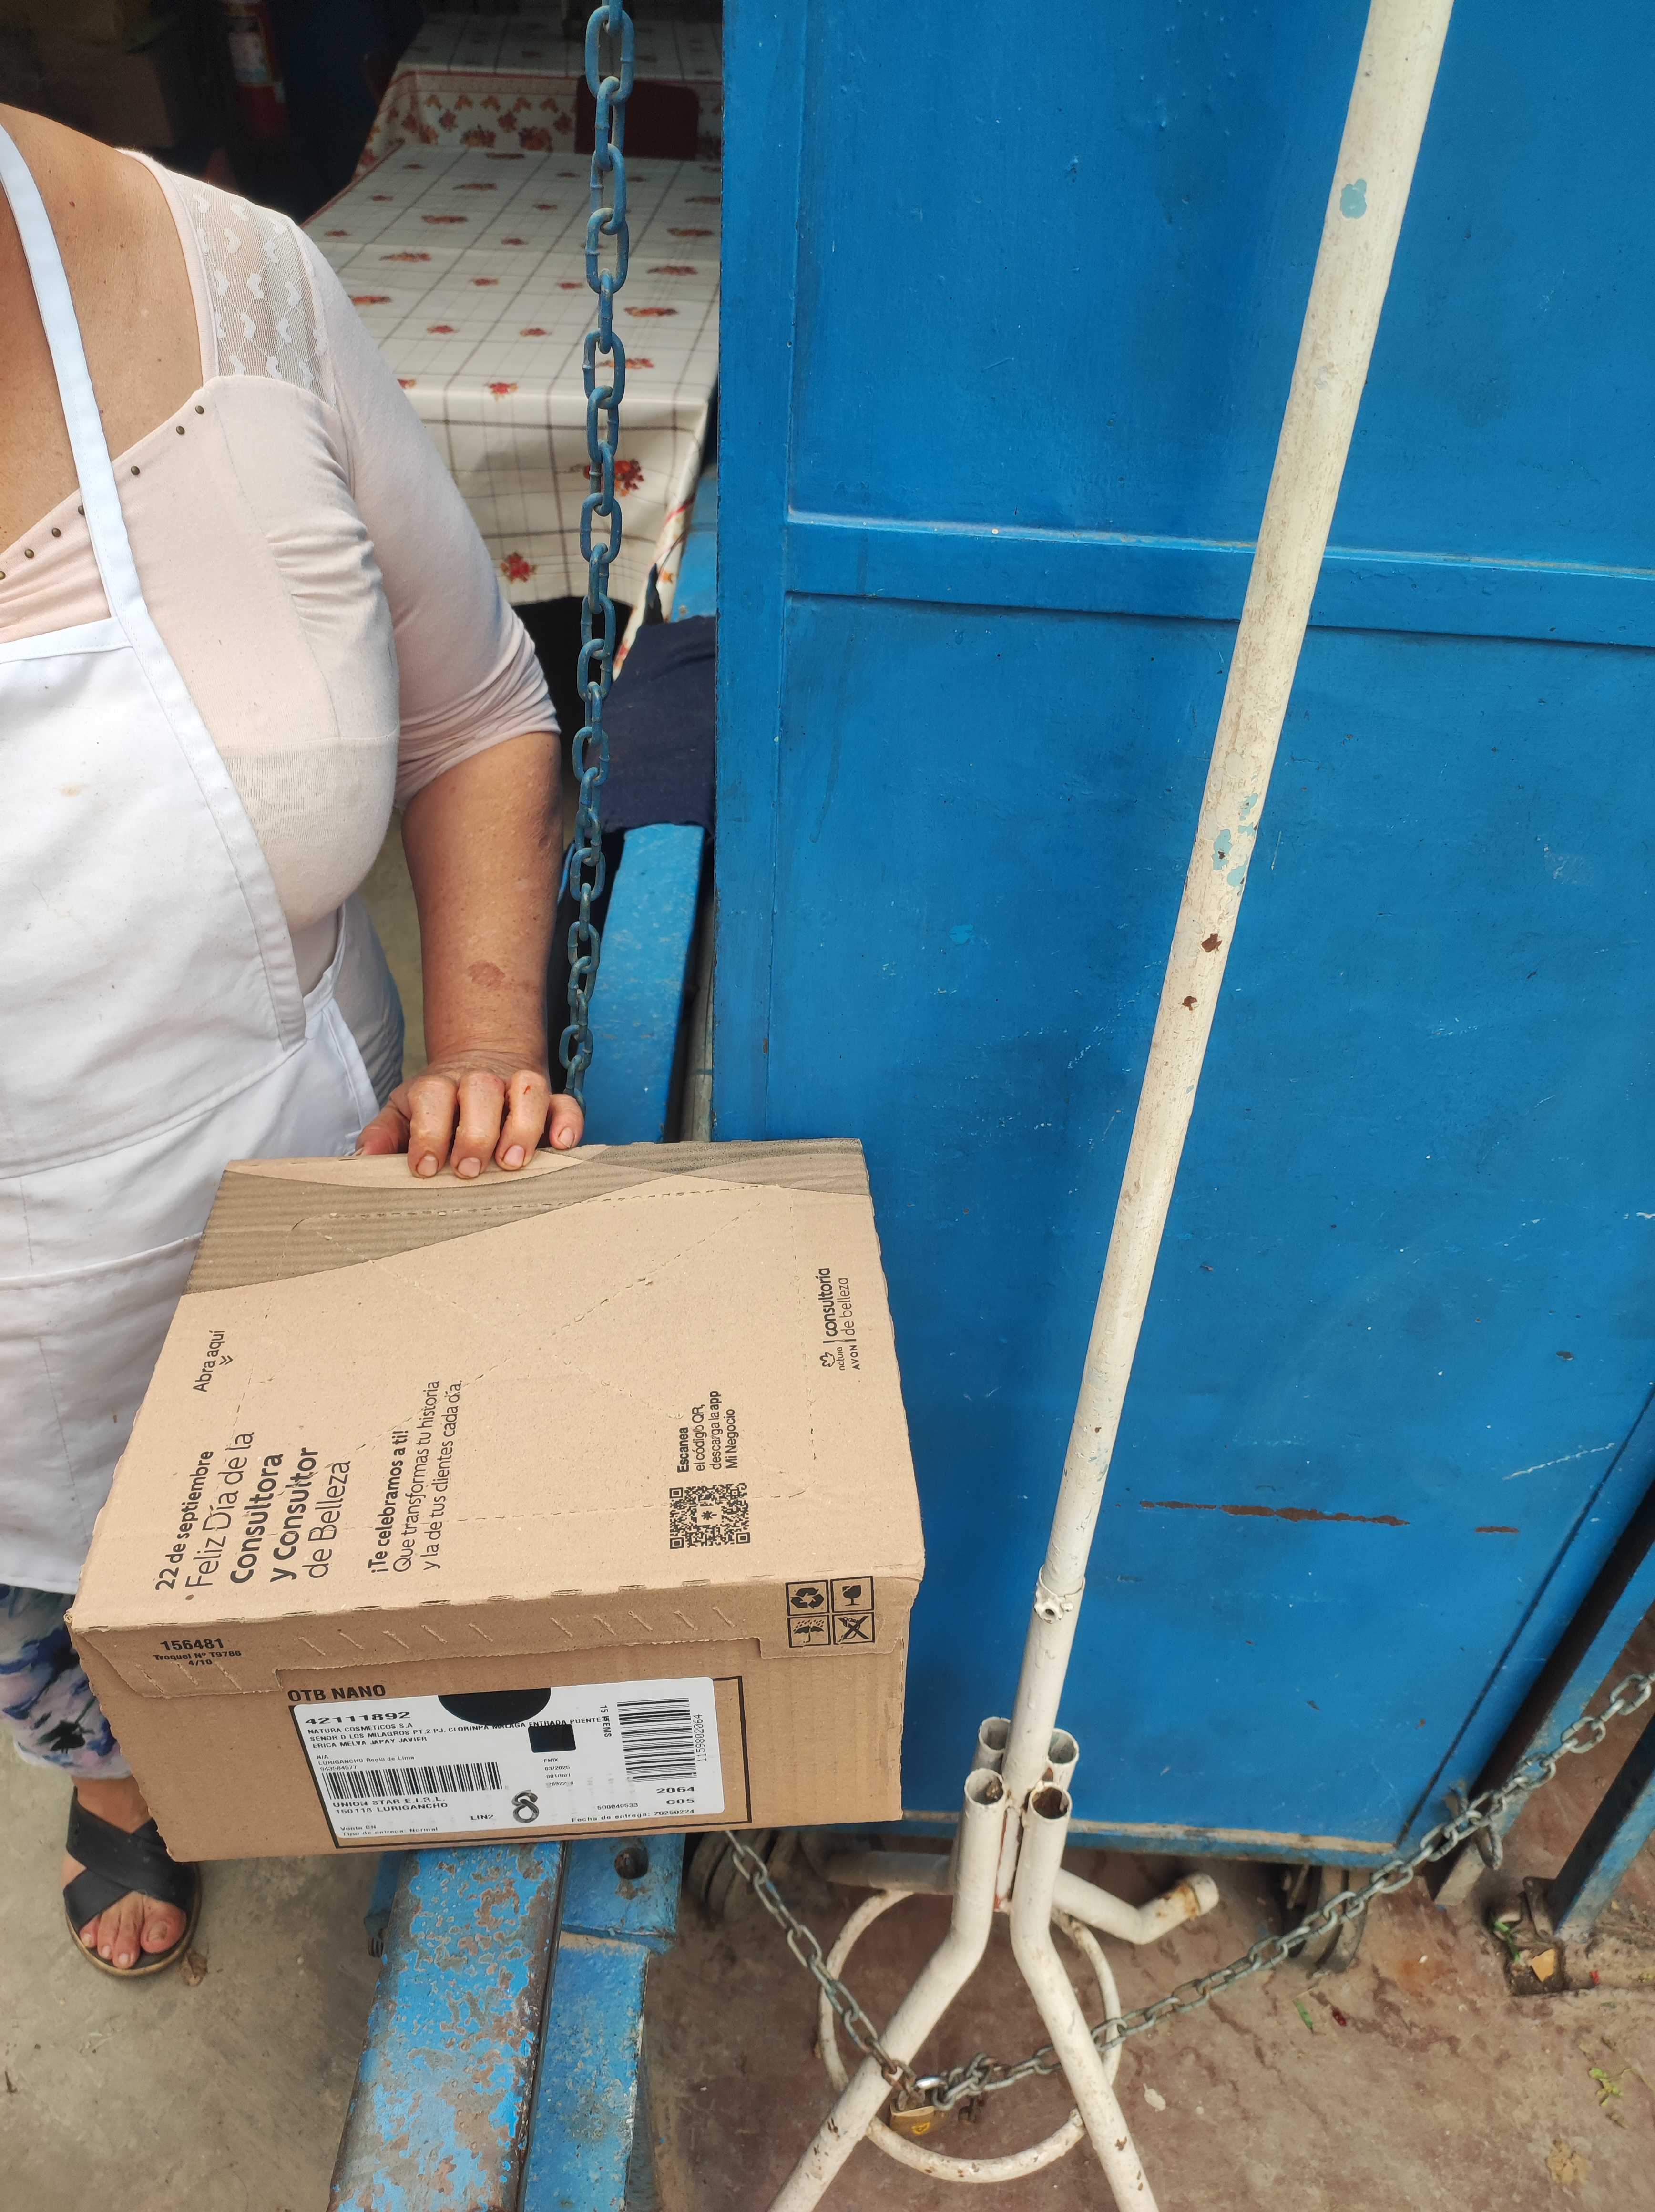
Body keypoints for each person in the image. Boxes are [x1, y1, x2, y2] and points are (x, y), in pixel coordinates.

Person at [0, 106, 582, 1976]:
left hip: (315, 1195)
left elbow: (474, 707)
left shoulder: (237, 285)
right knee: (70, 1632)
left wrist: (483, 1044)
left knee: (380, 1576)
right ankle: (121, 1780)